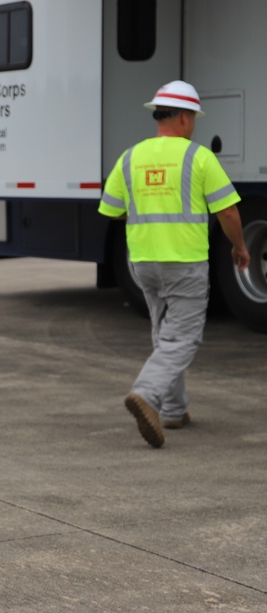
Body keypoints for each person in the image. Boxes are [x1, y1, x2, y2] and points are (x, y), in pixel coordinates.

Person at [98, 80, 249, 449]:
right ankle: (147, 394)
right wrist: (240, 247)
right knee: (182, 337)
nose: (193, 123)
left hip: (144, 263)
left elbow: (113, 210)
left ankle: (173, 410)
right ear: (183, 117)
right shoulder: (199, 157)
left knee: (165, 333)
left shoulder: (130, 157)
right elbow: (228, 211)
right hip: (184, 262)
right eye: (193, 116)